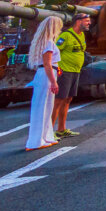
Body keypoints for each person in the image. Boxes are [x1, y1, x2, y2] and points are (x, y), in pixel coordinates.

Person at [25, 16, 62, 151]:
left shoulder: (42, 42)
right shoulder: (48, 43)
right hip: (47, 75)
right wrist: (53, 82)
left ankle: (44, 137)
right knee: (43, 107)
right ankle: (36, 141)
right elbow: (47, 64)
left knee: (44, 107)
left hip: (43, 74)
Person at [53, 12, 89, 138]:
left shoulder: (82, 35)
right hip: (65, 71)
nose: (89, 23)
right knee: (59, 100)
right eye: (86, 21)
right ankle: (49, 132)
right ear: (78, 21)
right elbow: (55, 51)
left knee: (68, 99)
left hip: (75, 71)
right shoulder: (65, 36)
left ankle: (61, 129)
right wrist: (57, 69)